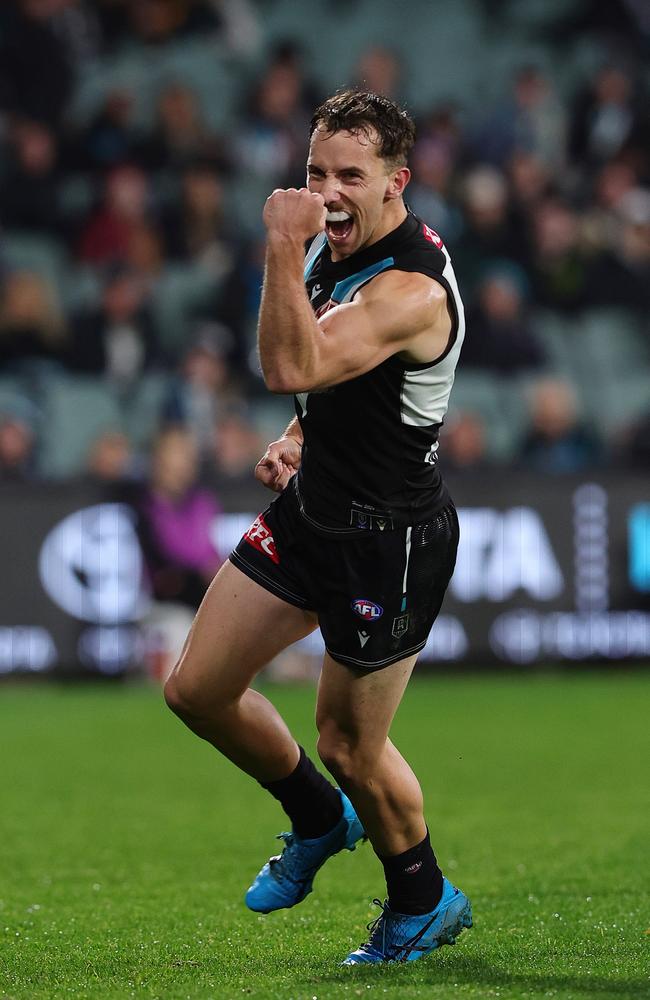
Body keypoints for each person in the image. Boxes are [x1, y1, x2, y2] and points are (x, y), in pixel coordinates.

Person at [164, 90, 472, 965]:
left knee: (347, 741)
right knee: (196, 690)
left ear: (396, 183)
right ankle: (315, 818)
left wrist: (279, 238)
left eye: (349, 176)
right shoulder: (340, 253)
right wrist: (299, 435)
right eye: (313, 172)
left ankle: (423, 898)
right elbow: (329, 379)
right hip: (314, 508)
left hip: (388, 539)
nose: (326, 190)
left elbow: (292, 359)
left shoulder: (408, 286)